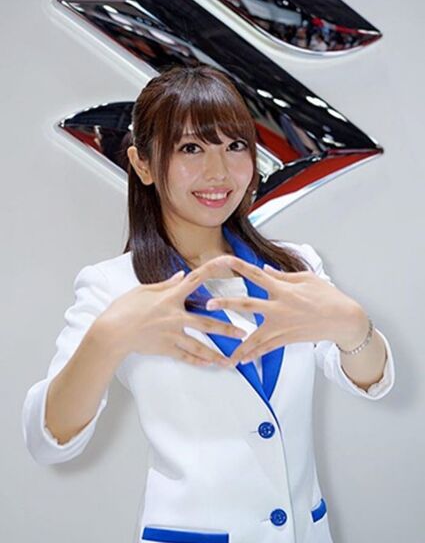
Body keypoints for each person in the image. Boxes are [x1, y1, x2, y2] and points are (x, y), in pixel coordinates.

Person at [22, 64, 395, 543]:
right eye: (191, 148)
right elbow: (47, 441)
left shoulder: (295, 265)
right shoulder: (114, 286)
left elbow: (371, 381)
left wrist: (352, 325)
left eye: (234, 146)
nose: (219, 172)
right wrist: (108, 338)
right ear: (142, 164)